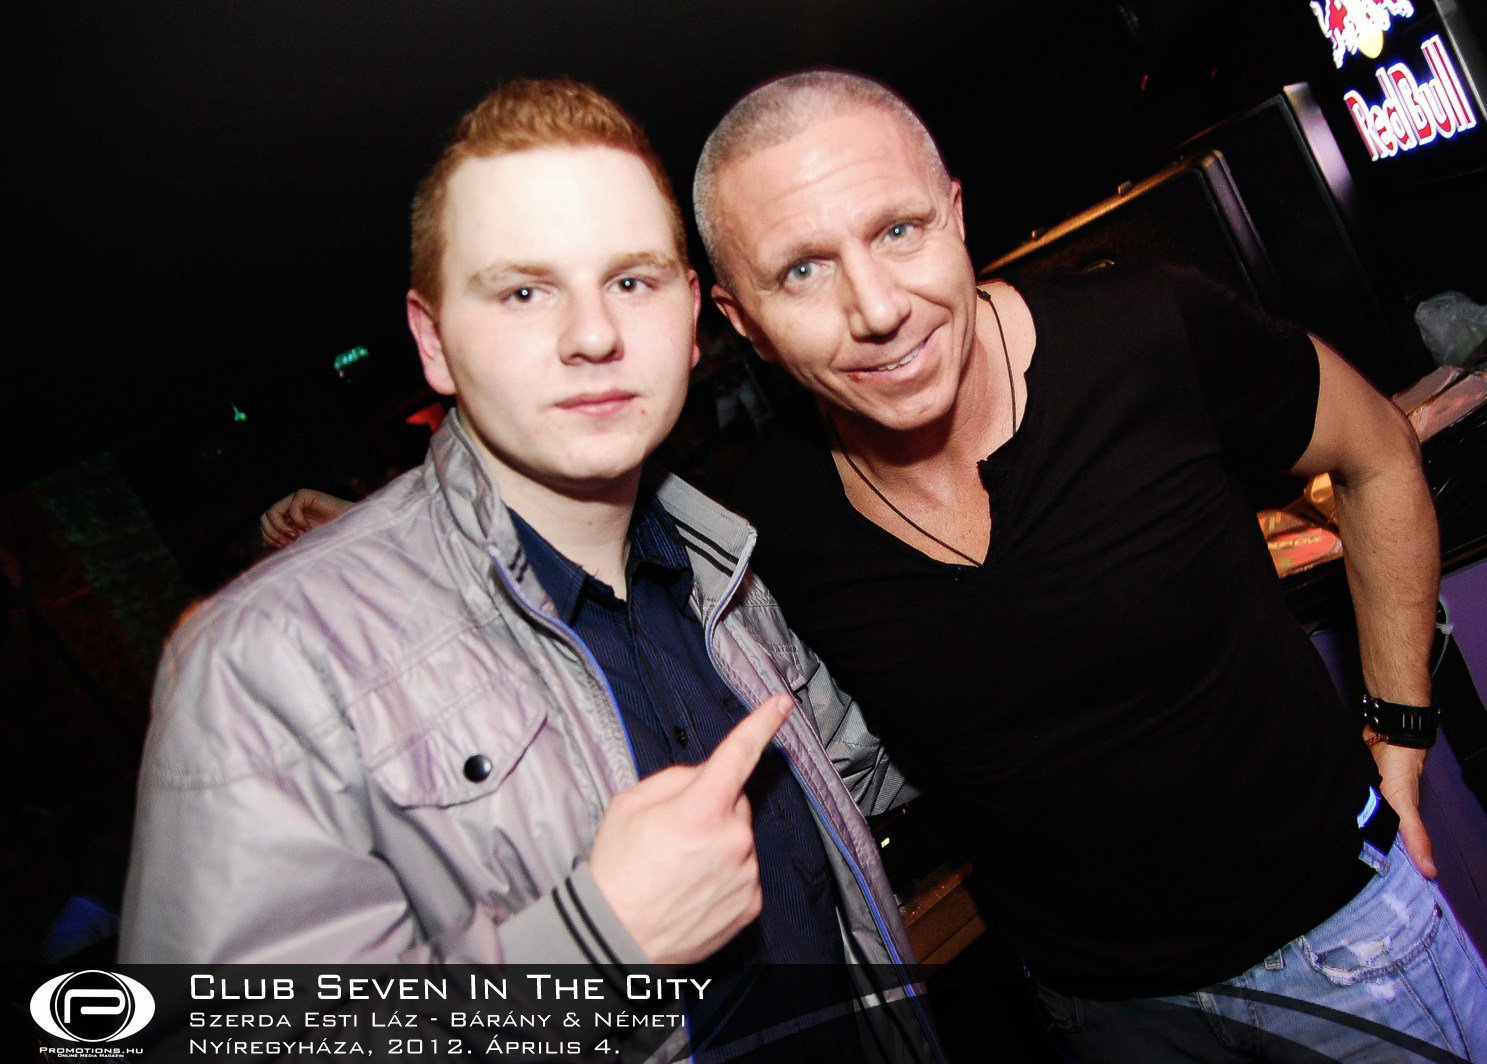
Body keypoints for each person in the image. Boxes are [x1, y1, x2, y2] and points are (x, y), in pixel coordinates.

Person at [692, 70, 1487, 1062]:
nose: (877, 308)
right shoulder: (772, 529)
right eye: (801, 270)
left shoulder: (1148, 331)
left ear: (955, 214)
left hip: (1346, 948)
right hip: (1105, 1019)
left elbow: (1378, 452)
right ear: (740, 319)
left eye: (898, 230)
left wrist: (1400, 732)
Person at [121, 78, 935, 1063]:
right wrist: (596, 946)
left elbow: (872, 773)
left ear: (690, 317)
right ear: (433, 342)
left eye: (631, 281)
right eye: (523, 291)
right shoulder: (264, 659)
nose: (592, 335)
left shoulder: (723, 569)